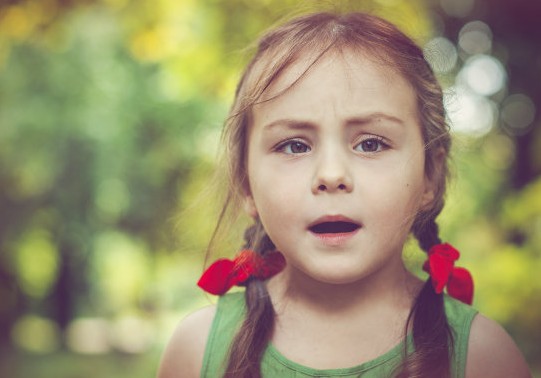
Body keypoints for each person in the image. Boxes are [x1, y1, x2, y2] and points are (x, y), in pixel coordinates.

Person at [157, 12, 531, 378]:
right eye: (293, 146)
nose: (332, 175)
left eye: (370, 143)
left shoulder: (484, 357)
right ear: (245, 184)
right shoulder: (197, 351)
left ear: (429, 176)